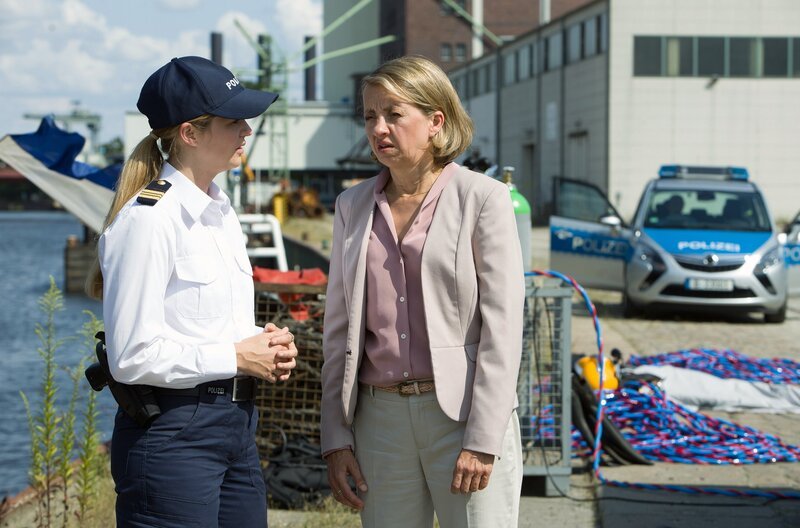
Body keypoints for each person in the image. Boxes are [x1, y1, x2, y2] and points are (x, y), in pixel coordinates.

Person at [85, 56, 298, 527]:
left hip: (236, 426)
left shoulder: (221, 212)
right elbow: (131, 356)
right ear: (190, 133)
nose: (247, 129)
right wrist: (238, 357)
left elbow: (208, 328)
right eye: (232, 120)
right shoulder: (149, 220)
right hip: (173, 434)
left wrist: (263, 345)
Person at [321, 55, 525, 528]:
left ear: (436, 120)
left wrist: (483, 437)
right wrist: (336, 436)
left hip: (462, 417)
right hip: (379, 421)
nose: (379, 128)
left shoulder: (482, 198)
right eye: (370, 115)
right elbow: (338, 330)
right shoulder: (351, 205)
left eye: (394, 113)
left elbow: (503, 328)